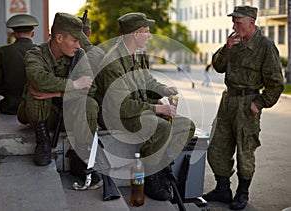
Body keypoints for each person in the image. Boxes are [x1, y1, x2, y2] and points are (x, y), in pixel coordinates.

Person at [94, 12, 196, 201]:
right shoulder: (113, 63)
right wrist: (157, 108)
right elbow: (122, 106)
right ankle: (151, 177)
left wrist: (163, 90)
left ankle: (160, 166)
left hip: (136, 109)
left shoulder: (137, 54)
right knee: (162, 126)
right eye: (146, 31)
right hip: (116, 115)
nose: (150, 35)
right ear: (135, 34)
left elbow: (147, 81)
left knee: (186, 125)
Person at [203, 6, 284, 210]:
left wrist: (260, 103)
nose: (234, 26)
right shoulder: (234, 43)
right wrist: (226, 47)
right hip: (228, 101)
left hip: (248, 104)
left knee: (244, 151)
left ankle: (242, 193)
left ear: (251, 22)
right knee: (216, 147)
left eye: (238, 23)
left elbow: (276, 83)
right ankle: (223, 189)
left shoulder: (265, 46)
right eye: (233, 22)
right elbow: (218, 66)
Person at [16, 12, 102, 188]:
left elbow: (90, 88)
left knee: (90, 104)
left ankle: (80, 158)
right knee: (37, 92)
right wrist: (73, 85)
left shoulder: (79, 54)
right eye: (74, 40)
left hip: (67, 116)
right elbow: (38, 79)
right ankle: (43, 142)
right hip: (41, 116)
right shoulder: (35, 54)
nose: (79, 45)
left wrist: (57, 94)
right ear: (59, 37)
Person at [0, 14, 39, 114]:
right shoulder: (42, 52)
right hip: (34, 109)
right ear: (32, 34)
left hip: (9, 108)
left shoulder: (1, 52)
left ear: (14, 34)